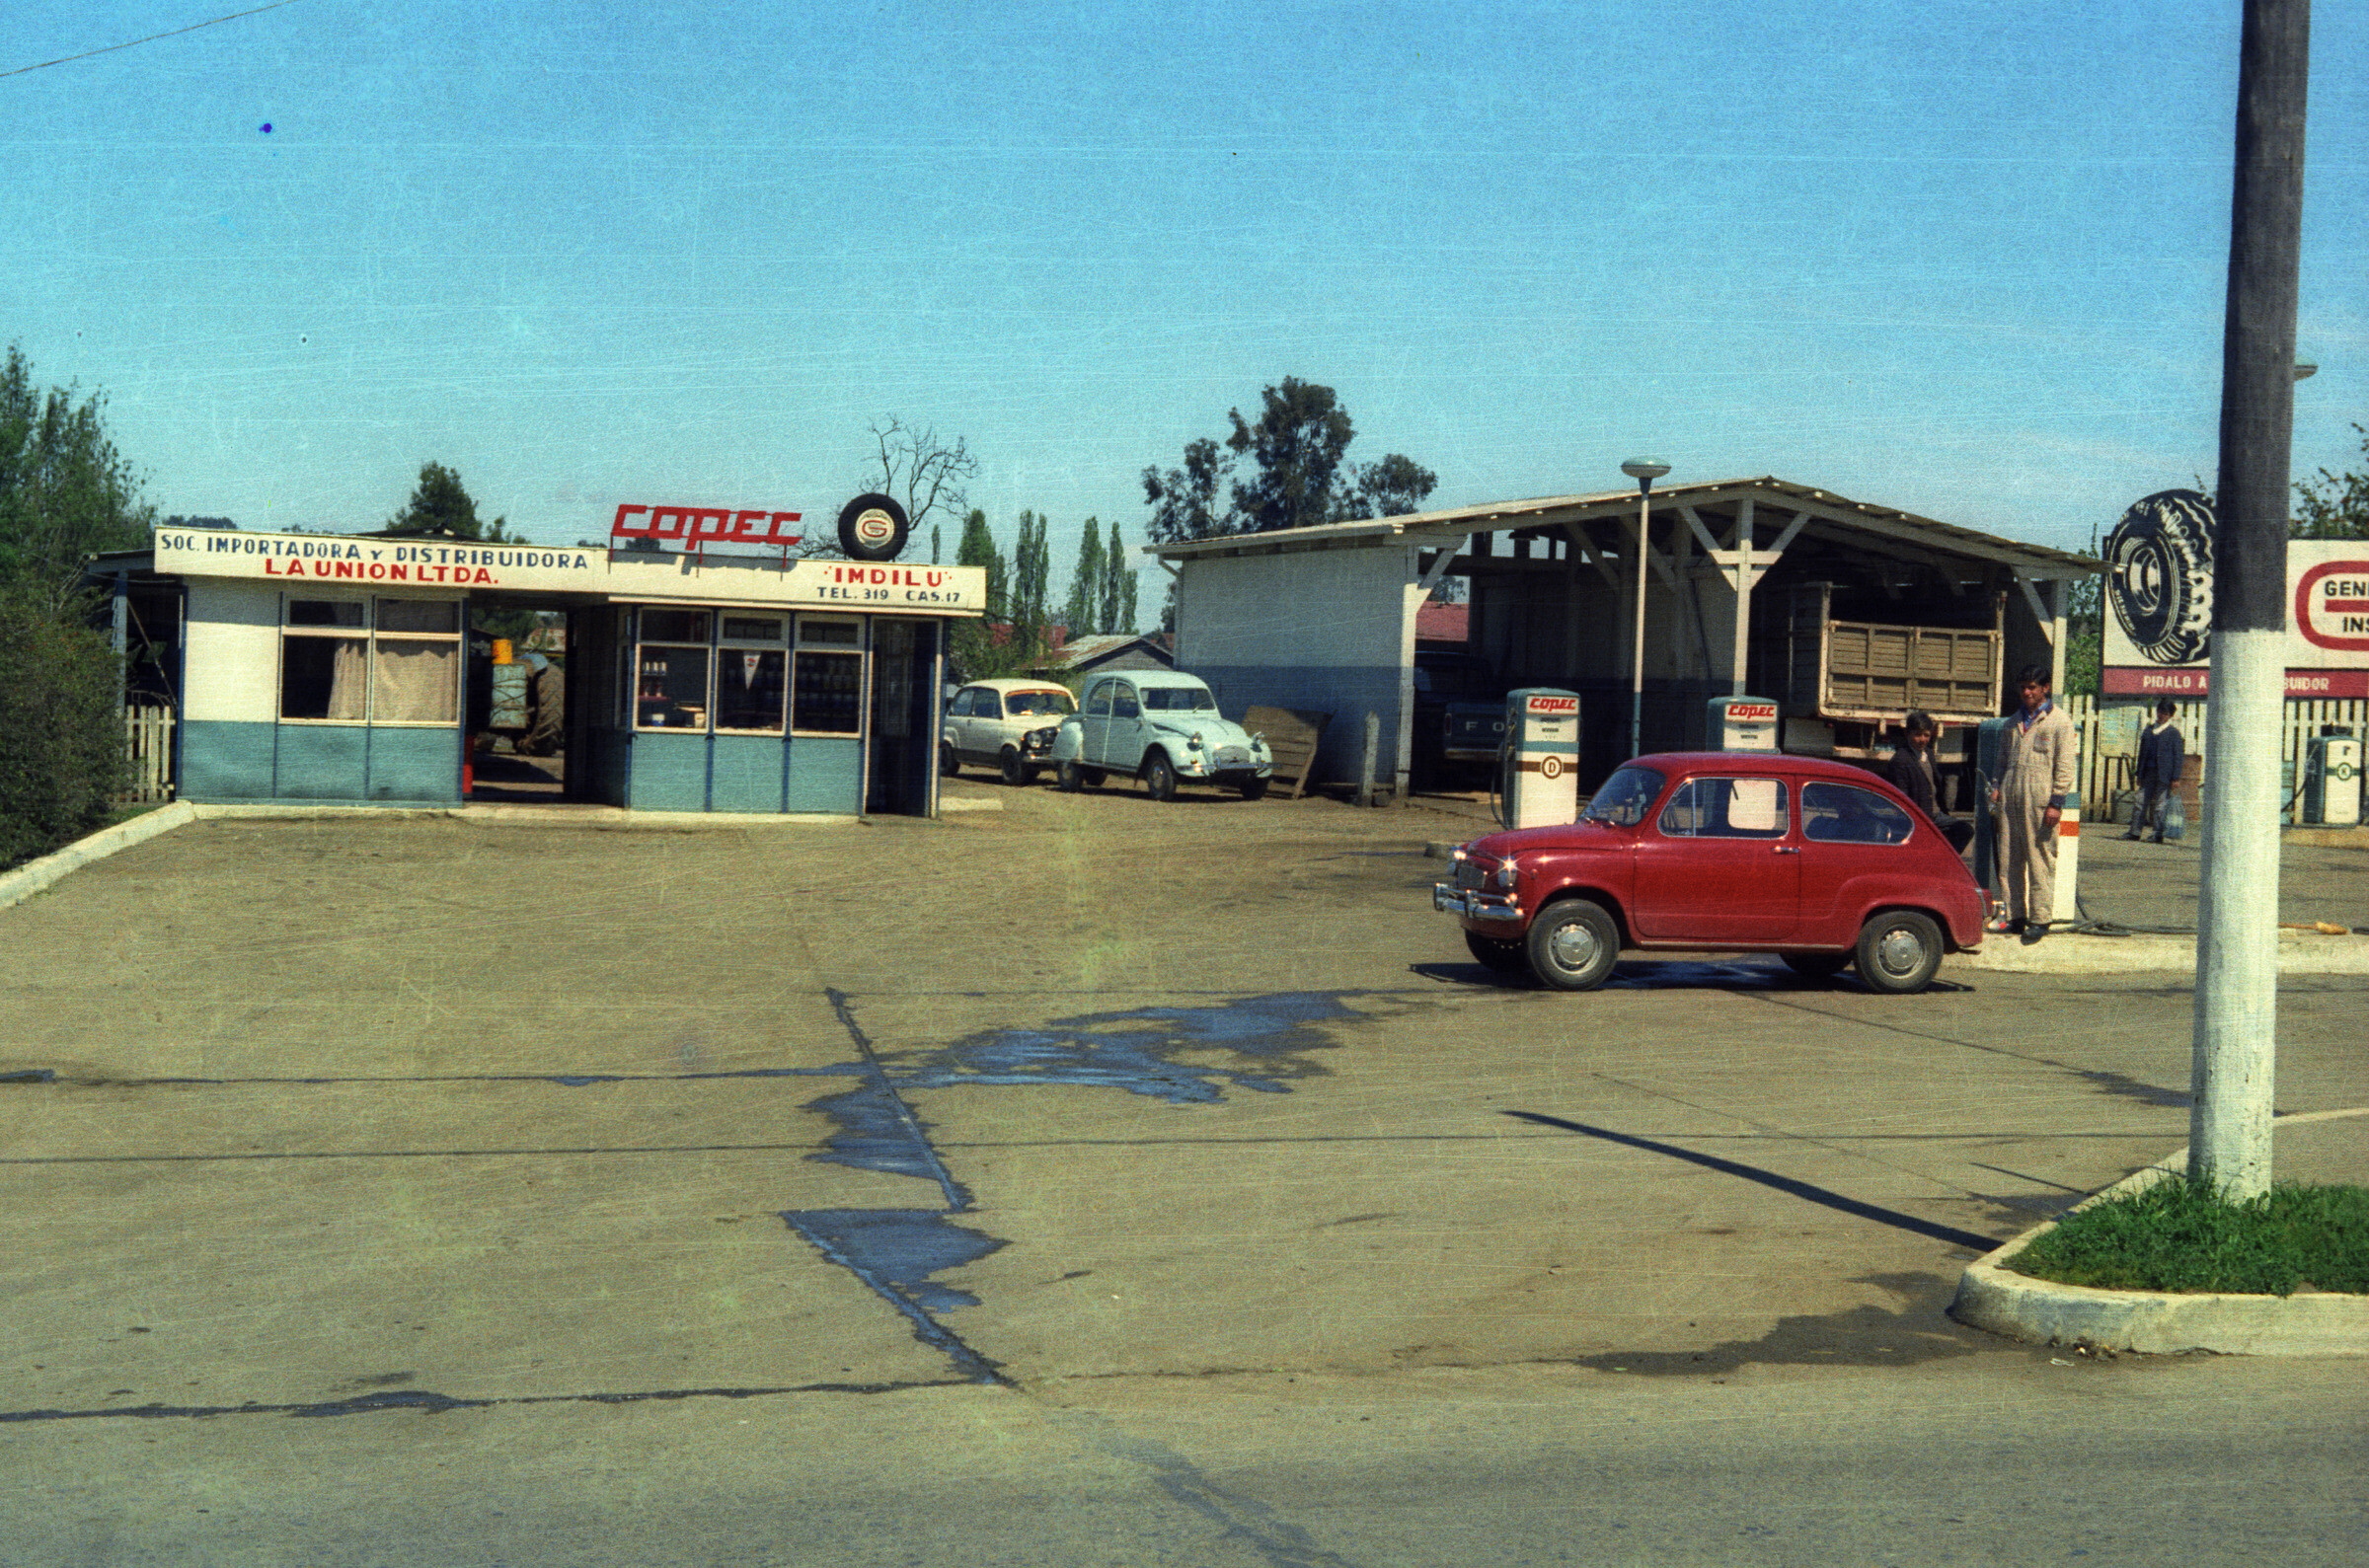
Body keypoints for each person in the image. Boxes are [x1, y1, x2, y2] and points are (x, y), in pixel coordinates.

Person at [1992, 665, 2079, 943]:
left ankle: (2040, 919)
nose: (2027, 692)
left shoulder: (2059, 722)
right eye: (2023, 688)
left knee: (2039, 859)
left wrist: (2057, 802)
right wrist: (1996, 787)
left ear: (2045, 688)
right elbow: (2001, 761)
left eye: (2032, 687)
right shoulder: (2012, 722)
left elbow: (2065, 766)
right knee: (2009, 860)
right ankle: (2015, 915)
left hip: (2039, 802)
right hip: (2010, 799)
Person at [1884, 710, 1974, 853]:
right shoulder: (1901, 760)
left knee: (1964, 830)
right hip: (1919, 818)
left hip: (1936, 815)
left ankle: (1943, 860)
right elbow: (1902, 798)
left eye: (1926, 735)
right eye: (1917, 735)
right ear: (1907, 734)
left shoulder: (1929, 754)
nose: (1922, 740)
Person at [2125, 699, 2184, 844]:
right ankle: (2134, 832)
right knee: (2139, 802)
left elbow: (2178, 757)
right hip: (2148, 773)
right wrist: (2139, 773)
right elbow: (2142, 754)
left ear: (2170, 716)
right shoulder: (2149, 730)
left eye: (2165, 713)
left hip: (2165, 775)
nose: (2161, 715)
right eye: (2159, 712)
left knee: (2160, 806)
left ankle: (2157, 834)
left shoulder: (2174, 733)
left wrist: (2175, 777)